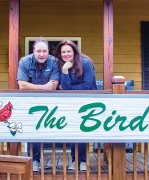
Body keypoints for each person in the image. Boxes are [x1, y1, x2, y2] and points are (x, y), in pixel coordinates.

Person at [17, 37, 60, 171]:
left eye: (44, 51)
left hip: (51, 103)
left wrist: (37, 86)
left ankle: (70, 161)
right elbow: (22, 85)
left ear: (48, 52)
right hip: (31, 102)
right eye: (38, 51)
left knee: (54, 131)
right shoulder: (24, 61)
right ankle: (35, 160)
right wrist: (43, 87)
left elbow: (54, 85)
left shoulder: (54, 62)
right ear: (33, 51)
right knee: (33, 131)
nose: (41, 54)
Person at [53, 39, 97, 171]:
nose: (66, 54)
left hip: (87, 101)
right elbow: (65, 86)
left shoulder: (85, 62)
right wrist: (65, 70)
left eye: (68, 51)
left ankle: (82, 161)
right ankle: (74, 160)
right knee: (73, 130)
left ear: (74, 51)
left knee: (83, 130)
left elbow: (86, 85)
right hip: (71, 102)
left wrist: (67, 88)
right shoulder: (61, 65)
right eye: (63, 52)